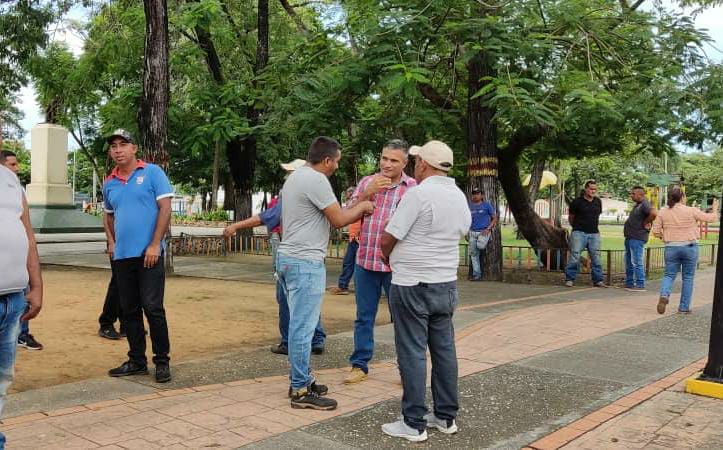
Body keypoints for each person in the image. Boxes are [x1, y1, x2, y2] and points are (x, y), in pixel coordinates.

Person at [380, 140, 470, 442]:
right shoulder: (458, 195)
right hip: (445, 282)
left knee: (412, 352)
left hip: (412, 284)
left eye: (416, 161)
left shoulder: (418, 194)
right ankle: (445, 416)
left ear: (423, 164)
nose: (414, 165)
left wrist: (386, 256)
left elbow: (390, 236)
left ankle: (413, 422)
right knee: (444, 351)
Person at [277, 136, 374, 410]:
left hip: (288, 258)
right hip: (305, 262)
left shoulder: (295, 177)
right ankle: (299, 390)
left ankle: (303, 379)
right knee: (303, 327)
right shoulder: (317, 180)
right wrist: (365, 205)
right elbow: (339, 219)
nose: (336, 167)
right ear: (328, 160)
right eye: (337, 162)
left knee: (299, 323)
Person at [223, 159, 326, 355]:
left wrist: (236, 225)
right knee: (309, 297)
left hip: (292, 252)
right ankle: (317, 338)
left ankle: (289, 342)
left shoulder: (293, 193)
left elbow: (268, 216)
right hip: (313, 254)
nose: (286, 175)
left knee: (286, 296)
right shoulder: (318, 192)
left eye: (289, 172)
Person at [103, 129, 174, 383]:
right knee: (129, 310)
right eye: (114, 146)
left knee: (153, 308)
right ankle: (136, 360)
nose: (118, 150)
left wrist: (155, 244)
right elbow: (108, 214)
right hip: (122, 257)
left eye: (123, 144)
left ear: (134, 148)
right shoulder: (109, 182)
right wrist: (112, 241)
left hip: (149, 255)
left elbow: (165, 209)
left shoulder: (152, 172)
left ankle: (162, 361)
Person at [344, 139, 417, 385]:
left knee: (403, 319)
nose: (387, 164)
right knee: (364, 316)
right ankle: (359, 364)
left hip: (396, 266)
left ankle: (406, 368)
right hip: (365, 261)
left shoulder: (413, 188)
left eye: (393, 160)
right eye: (384, 158)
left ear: (405, 163)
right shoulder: (367, 182)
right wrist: (367, 193)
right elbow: (346, 212)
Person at [0, 152, 43, 449]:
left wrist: (36, 283)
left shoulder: (11, 179)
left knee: (2, 380)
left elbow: (26, 231)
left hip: (13, 299)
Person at [1, 150, 43, 350]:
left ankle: (22, 333)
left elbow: (28, 236)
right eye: (12, 164)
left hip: (14, 286)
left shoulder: (16, 189)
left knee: (4, 372)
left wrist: (37, 286)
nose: (16, 169)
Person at [652, 188, 718, 314]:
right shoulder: (690, 210)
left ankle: (664, 295)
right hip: (689, 247)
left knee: (669, 275)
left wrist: (664, 237)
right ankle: (683, 308)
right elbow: (711, 218)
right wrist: (715, 209)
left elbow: (655, 231)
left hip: (671, 247)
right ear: (682, 197)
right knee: (688, 278)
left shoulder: (663, 212)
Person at [564, 180, 606, 287]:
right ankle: (570, 279)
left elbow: (597, 216)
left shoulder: (598, 202)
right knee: (575, 255)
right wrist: (576, 228)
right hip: (579, 232)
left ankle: (598, 280)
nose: (593, 191)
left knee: (596, 257)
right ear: (586, 189)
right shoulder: (577, 202)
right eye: (591, 189)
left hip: (594, 233)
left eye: (595, 189)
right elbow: (571, 217)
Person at [328, 186, 361, 295]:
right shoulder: (349, 205)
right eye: (348, 193)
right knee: (348, 263)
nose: (349, 194)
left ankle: (358, 288)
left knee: (358, 265)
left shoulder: (360, 204)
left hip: (360, 238)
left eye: (351, 193)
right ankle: (343, 286)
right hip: (353, 238)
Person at [623, 186, 656, 292]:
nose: (631, 195)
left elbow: (654, 213)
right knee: (629, 261)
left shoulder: (645, 204)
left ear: (640, 195)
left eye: (633, 194)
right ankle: (629, 283)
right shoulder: (638, 205)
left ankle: (640, 284)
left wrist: (646, 222)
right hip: (630, 237)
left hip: (637, 237)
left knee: (636, 261)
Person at [467, 187, 497, 281]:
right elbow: (466, 219)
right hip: (472, 232)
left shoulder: (487, 205)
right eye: (474, 194)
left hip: (483, 232)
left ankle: (484, 240)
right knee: (473, 254)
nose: (475, 196)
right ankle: (477, 275)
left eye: (477, 193)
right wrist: (466, 231)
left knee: (480, 246)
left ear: (482, 195)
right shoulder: (470, 206)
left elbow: (494, 218)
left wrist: (489, 229)